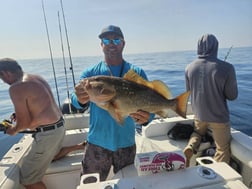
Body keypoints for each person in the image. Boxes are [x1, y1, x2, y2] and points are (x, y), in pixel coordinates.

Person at [71, 25, 153, 181]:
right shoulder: (90, 74)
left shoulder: (137, 73)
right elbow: (76, 102)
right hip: (97, 143)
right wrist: (80, 99)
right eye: (106, 40)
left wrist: (148, 118)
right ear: (101, 44)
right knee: (89, 185)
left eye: (116, 39)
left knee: (128, 184)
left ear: (123, 43)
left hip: (126, 143)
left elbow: (150, 102)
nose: (111, 43)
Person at [0, 58, 65, 189]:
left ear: (5, 73)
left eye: (1, 77)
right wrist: (18, 115)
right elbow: (41, 106)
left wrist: (11, 130)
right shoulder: (35, 77)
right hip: (59, 126)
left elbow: (24, 124)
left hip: (48, 135)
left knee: (28, 179)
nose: (3, 81)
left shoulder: (16, 87)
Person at [183, 34, 238, 167]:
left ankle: (191, 146)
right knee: (222, 148)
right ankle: (219, 174)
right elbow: (232, 96)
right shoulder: (228, 68)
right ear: (216, 47)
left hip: (199, 115)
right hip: (219, 117)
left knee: (197, 132)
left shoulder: (189, 68)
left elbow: (188, 92)